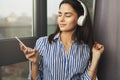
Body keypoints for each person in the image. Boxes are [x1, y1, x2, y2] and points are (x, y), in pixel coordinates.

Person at [19, 0, 104, 80]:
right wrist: (34, 63)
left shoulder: (85, 48)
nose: (61, 19)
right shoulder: (43, 43)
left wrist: (96, 58)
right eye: (60, 14)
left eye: (67, 15)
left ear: (80, 19)